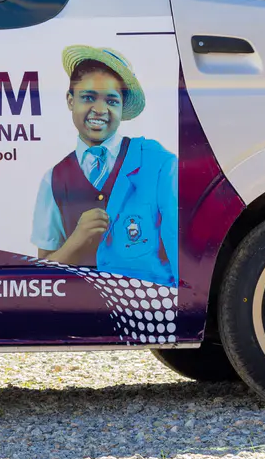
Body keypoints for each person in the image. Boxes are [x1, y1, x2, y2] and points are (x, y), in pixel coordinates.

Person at [31, 45, 178, 287]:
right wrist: (76, 241)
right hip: (84, 305)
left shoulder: (159, 163)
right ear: (70, 100)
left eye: (111, 100)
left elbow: (180, 255)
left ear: (121, 107)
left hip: (149, 304)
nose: (100, 110)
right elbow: (42, 276)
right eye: (88, 97)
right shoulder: (53, 180)